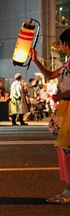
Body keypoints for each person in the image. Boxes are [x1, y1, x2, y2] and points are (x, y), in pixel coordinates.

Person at [28, 30, 70, 204]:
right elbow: (51, 75)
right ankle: (68, 189)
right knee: (65, 151)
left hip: (67, 108)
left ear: (66, 44)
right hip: (65, 109)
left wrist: (59, 96)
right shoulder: (67, 65)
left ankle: (68, 190)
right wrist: (36, 60)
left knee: (67, 150)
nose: (59, 47)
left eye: (60, 43)